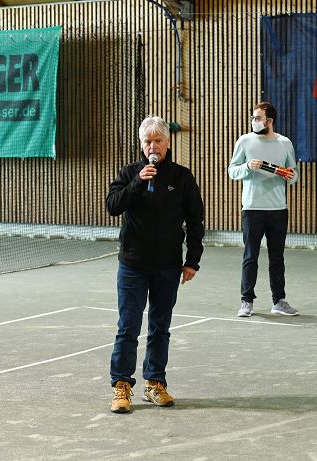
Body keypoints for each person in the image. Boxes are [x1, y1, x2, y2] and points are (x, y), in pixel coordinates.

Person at [106, 115, 204, 413]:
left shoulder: (182, 177)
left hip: (168, 266)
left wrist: (192, 261)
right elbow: (113, 206)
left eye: (158, 140)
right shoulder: (129, 173)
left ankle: (155, 383)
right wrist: (138, 181)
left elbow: (195, 221)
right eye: (148, 141)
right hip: (133, 265)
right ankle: (121, 384)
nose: (153, 146)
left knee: (160, 327)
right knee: (128, 327)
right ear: (141, 144)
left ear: (168, 143)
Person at [228, 102, 299, 318]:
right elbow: (232, 170)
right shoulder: (244, 141)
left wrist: (289, 175)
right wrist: (247, 167)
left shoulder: (285, 143)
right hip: (252, 209)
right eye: (253, 118)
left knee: (277, 258)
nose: (254, 121)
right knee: (251, 256)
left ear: (270, 121)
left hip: (278, 209)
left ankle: (279, 301)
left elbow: (294, 173)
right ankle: (246, 301)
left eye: (258, 118)